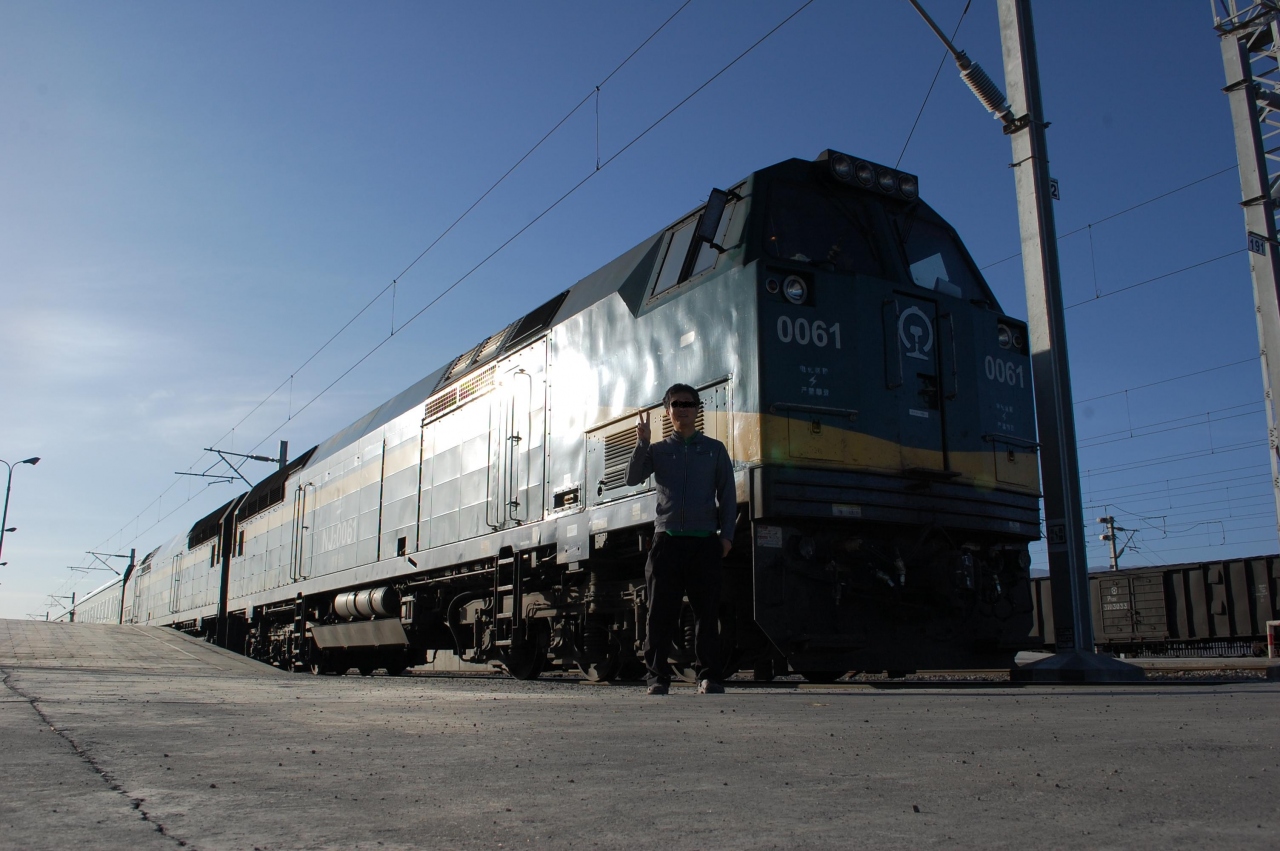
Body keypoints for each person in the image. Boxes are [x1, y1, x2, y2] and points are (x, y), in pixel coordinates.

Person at [626, 383, 736, 695]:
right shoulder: (658, 451)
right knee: (660, 614)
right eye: (677, 404)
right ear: (668, 410)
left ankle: (709, 677)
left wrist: (726, 537)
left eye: (688, 403)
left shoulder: (715, 450)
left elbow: (727, 497)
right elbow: (632, 478)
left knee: (707, 614)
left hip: (705, 543)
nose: (683, 408)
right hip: (668, 542)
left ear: (697, 408)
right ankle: (657, 677)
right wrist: (641, 443)